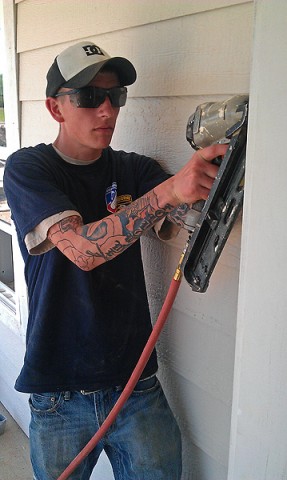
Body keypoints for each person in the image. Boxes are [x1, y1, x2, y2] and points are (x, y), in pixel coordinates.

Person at [3, 41, 228, 480]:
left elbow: (192, 216)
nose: (106, 110)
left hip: (136, 383)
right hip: (59, 392)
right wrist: (168, 192)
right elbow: (82, 252)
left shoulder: (135, 169)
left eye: (116, 96)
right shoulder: (29, 168)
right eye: (89, 97)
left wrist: (216, 168)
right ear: (55, 108)